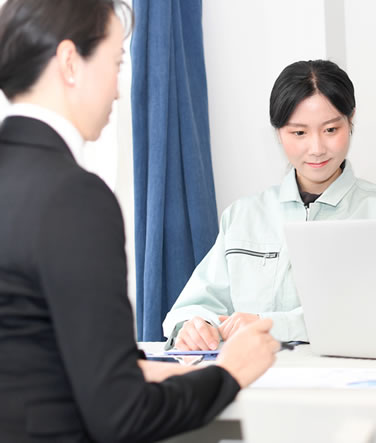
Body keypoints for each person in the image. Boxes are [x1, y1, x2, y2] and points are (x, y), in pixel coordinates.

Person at [0, 1, 279, 442]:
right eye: (116, 63)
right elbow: (123, 416)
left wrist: (135, 369)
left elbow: (33, 348)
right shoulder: (73, 196)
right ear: (70, 62)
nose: (117, 90)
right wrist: (229, 373)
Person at [163, 60, 376, 350]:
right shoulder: (243, 216)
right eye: (299, 133)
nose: (316, 148)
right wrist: (193, 325)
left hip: (347, 377)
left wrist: (270, 324)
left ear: (351, 119)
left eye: (331, 129)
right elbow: (193, 305)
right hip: (254, 376)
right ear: (278, 132)